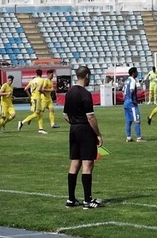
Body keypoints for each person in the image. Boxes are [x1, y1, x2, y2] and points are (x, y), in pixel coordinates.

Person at [64, 66, 103, 210]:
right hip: (85, 130)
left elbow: (65, 115)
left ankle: (71, 199)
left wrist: (75, 124)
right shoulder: (85, 93)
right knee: (87, 165)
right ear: (86, 75)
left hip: (73, 129)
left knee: (74, 164)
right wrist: (98, 134)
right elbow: (90, 117)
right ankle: (88, 200)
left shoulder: (69, 93)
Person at [18, 69, 47, 134]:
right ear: (41, 74)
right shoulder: (42, 80)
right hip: (37, 98)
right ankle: (22, 122)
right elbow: (39, 89)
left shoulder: (32, 80)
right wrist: (44, 93)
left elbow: (25, 89)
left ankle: (41, 128)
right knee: (37, 113)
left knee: (40, 113)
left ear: (36, 74)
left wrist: (30, 96)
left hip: (33, 98)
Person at [123, 67, 145, 143]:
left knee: (128, 121)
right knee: (137, 120)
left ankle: (128, 137)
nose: (137, 73)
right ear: (133, 73)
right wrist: (133, 100)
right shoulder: (132, 80)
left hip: (126, 103)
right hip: (131, 103)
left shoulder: (126, 81)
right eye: (136, 72)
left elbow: (124, 92)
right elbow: (132, 90)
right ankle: (139, 138)